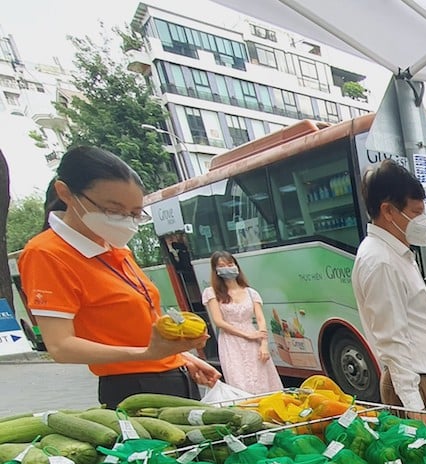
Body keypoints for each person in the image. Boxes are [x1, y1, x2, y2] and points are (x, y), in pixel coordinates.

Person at [17, 146, 219, 408]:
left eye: (134, 213)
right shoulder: (46, 254)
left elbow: (139, 326)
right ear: (65, 193)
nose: (125, 220)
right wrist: (147, 354)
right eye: (113, 210)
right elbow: (61, 346)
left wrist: (181, 358)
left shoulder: (113, 245)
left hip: (172, 375)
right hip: (133, 387)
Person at [351, 159, 426, 414]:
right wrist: (415, 407)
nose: (423, 220)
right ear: (388, 211)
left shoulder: (396, 254)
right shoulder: (381, 262)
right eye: (416, 212)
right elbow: (392, 339)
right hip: (420, 387)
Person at [201, 251, 283, 394]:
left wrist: (264, 345)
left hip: (254, 339)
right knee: (240, 381)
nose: (227, 268)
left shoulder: (251, 293)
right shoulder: (211, 292)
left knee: (263, 380)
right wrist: (246, 335)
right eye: (221, 266)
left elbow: (260, 319)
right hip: (231, 341)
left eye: (230, 264)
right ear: (216, 270)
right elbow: (218, 321)